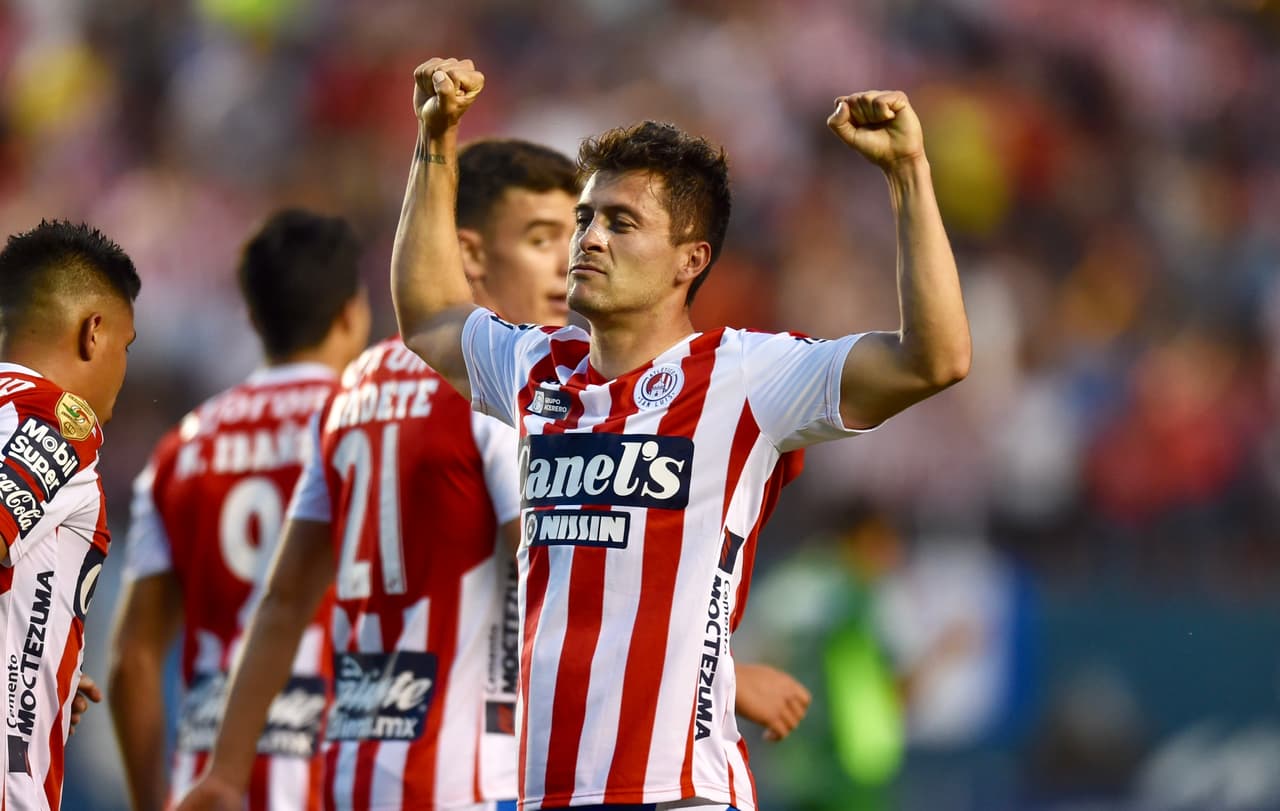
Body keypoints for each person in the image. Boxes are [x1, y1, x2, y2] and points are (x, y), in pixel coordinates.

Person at [388, 57, 971, 811]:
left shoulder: (748, 376)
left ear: (690, 261)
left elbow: (937, 359)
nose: (589, 239)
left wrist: (908, 176)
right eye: (587, 218)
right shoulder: (537, 365)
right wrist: (435, 140)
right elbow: (429, 313)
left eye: (622, 223)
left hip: (679, 793)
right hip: (544, 794)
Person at [176, 139, 809, 811]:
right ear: (470, 254)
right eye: (545, 237)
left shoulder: (356, 389)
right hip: (478, 773)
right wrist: (723, 679)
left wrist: (226, 768)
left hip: (353, 765)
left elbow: (283, 600)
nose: (573, 252)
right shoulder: (522, 394)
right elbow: (573, 571)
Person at [107, 209, 371, 811]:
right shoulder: (369, 424)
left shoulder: (182, 449)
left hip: (209, 778)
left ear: (252, 316)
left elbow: (133, 659)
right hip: (342, 767)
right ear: (352, 311)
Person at [0, 219, 139, 810]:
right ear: (93, 332)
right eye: (127, 347)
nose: (125, 371)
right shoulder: (53, 418)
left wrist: (40, 670)